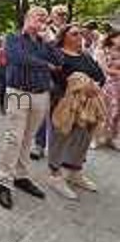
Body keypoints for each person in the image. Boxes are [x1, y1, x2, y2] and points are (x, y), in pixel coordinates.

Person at [0, 7, 62, 210]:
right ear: (27, 18)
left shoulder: (45, 42)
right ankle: (4, 181)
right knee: (14, 137)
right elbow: (19, 58)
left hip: (41, 94)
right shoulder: (13, 37)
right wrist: (46, 65)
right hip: (19, 92)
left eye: (45, 17)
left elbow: (60, 61)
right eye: (38, 15)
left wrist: (50, 40)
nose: (43, 19)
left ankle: (21, 176)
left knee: (27, 138)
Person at [47, 23, 106, 199]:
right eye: (74, 34)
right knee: (61, 137)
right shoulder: (57, 56)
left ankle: (74, 172)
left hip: (87, 106)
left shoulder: (85, 56)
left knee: (83, 137)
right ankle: (55, 176)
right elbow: (54, 79)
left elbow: (100, 76)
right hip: (63, 103)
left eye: (80, 33)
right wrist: (79, 86)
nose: (79, 36)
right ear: (63, 36)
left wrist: (93, 86)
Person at [31, 4, 70, 159]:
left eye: (64, 14)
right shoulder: (43, 31)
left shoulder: (70, 32)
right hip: (46, 77)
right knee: (42, 112)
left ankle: (58, 148)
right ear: (52, 16)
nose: (61, 16)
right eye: (58, 14)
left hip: (63, 78)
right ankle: (39, 145)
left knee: (61, 114)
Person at [97, 30, 120, 150]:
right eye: (118, 37)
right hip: (109, 85)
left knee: (117, 114)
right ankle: (98, 137)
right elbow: (105, 69)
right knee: (105, 111)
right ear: (111, 38)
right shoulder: (103, 51)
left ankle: (113, 138)